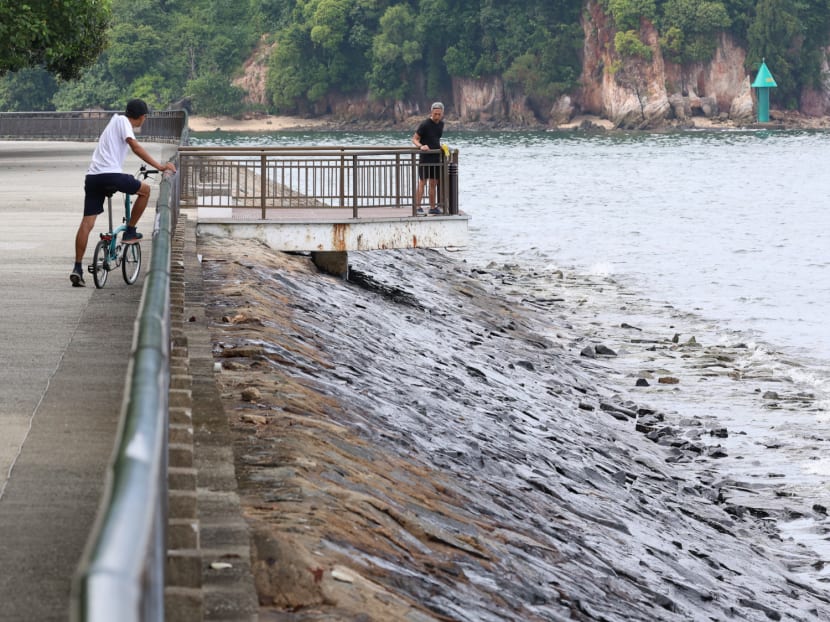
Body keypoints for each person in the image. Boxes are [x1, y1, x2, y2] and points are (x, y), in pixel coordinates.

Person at [70, 98, 177, 287]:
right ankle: (130, 230)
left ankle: (77, 268)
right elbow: (134, 146)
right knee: (145, 191)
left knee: (87, 223)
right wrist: (160, 166)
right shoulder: (124, 122)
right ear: (142, 117)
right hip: (110, 176)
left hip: (93, 177)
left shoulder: (114, 120)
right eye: (145, 117)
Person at [412, 102, 445, 215]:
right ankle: (417, 207)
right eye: (435, 114)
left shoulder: (441, 124)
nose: (437, 116)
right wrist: (421, 146)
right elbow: (415, 139)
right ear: (431, 112)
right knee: (422, 182)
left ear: (442, 114)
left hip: (436, 158)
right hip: (425, 158)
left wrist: (440, 146)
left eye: (439, 114)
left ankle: (432, 207)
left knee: (433, 183)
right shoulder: (425, 124)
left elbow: (435, 138)